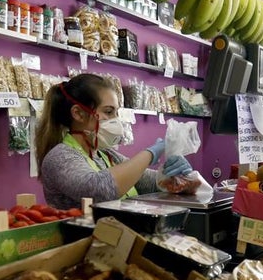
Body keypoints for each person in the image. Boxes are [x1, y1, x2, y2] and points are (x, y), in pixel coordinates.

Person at [35, 73, 194, 210]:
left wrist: (173, 176)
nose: (116, 120)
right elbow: (98, 190)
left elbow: (150, 183)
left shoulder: (107, 155)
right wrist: (150, 153)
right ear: (78, 113)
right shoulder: (59, 157)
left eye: (116, 112)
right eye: (108, 112)